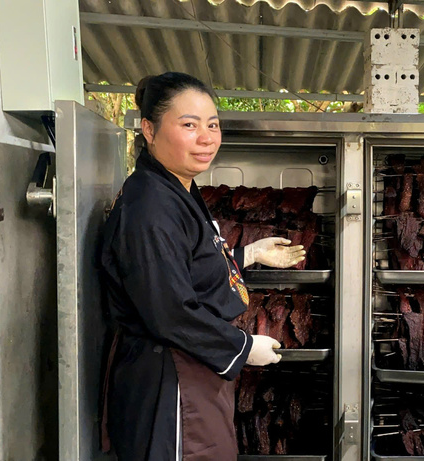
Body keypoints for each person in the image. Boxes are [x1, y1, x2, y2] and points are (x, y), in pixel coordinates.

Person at [99, 72, 306, 460]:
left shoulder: (176, 188)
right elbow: (169, 310)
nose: (207, 137)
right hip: (170, 380)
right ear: (148, 129)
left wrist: (248, 254)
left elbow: (183, 267)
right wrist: (243, 348)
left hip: (191, 370)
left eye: (212, 125)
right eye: (189, 125)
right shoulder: (150, 205)